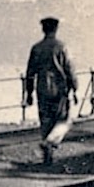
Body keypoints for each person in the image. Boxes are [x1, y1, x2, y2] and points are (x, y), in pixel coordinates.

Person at [23, 16, 78, 165]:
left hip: (42, 89)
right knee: (64, 121)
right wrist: (75, 88)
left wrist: (29, 93)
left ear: (43, 29)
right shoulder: (62, 47)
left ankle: (48, 157)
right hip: (60, 90)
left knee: (46, 122)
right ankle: (49, 143)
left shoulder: (36, 48)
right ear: (56, 29)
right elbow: (69, 69)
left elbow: (30, 73)